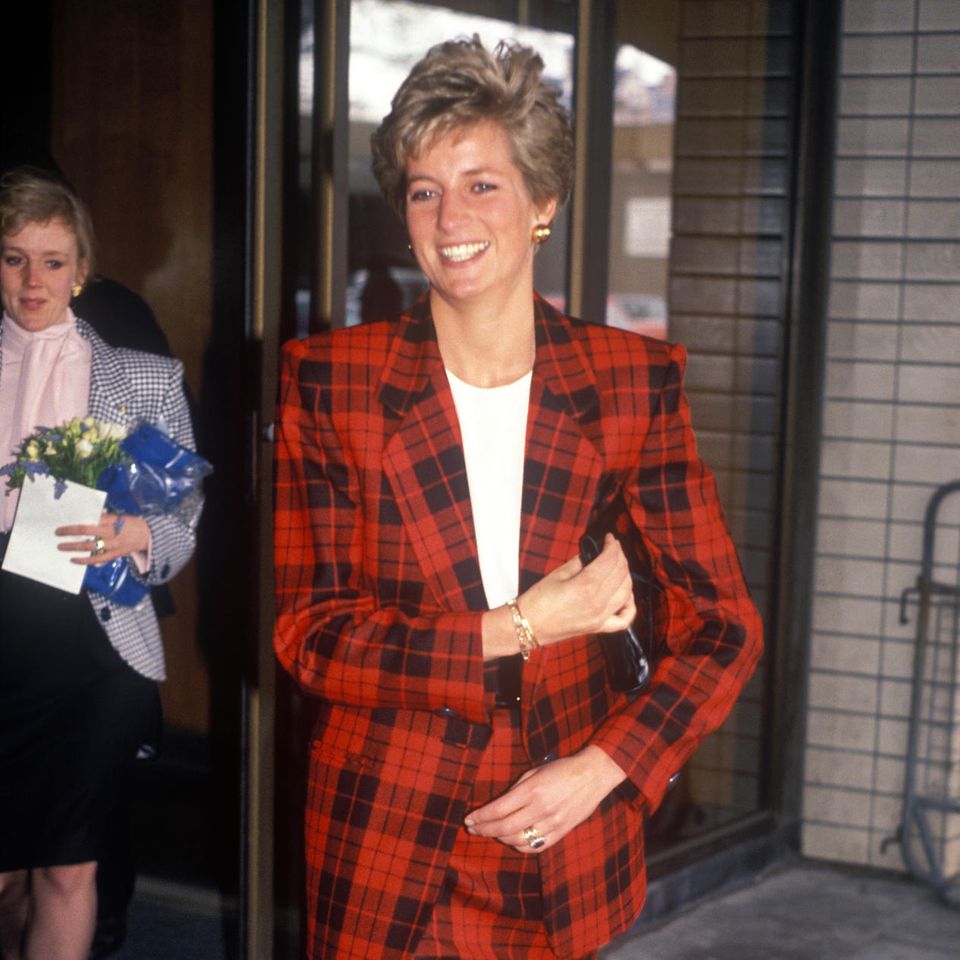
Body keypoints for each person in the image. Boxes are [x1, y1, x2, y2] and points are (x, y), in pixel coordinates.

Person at [273, 37, 763, 960]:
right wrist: (522, 627)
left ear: (543, 202)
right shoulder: (333, 382)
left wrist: (607, 767)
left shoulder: (628, 382)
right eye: (424, 190)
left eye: (481, 184)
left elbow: (726, 626)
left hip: (565, 842)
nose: (450, 216)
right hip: (387, 838)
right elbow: (314, 635)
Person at [0, 168, 199, 959]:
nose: (33, 280)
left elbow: (186, 515)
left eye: (52, 261)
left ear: (82, 270)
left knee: (68, 868)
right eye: (14, 258)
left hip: (96, 646)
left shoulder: (145, 379)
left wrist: (138, 533)